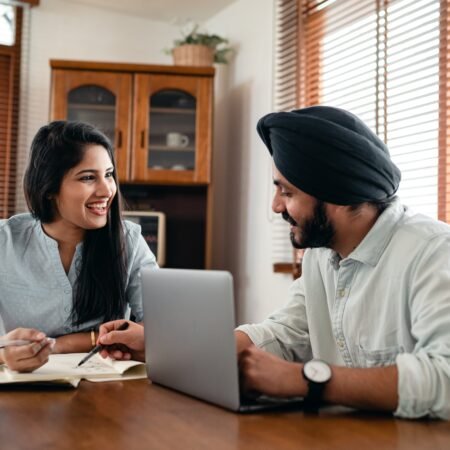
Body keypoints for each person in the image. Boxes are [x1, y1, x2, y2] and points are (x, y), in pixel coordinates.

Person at [98, 106, 450, 420]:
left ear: (337, 194)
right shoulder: (320, 255)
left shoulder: (433, 252)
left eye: (288, 192)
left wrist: (303, 381)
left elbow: (444, 378)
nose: (276, 206)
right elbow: (285, 333)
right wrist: (167, 346)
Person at [0, 121, 157, 372]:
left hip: (109, 392)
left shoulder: (128, 240)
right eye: (87, 177)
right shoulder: (4, 242)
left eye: (108, 174)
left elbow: (160, 330)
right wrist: (4, 355)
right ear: (49, 187)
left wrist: (59, 346)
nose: (107, 190)